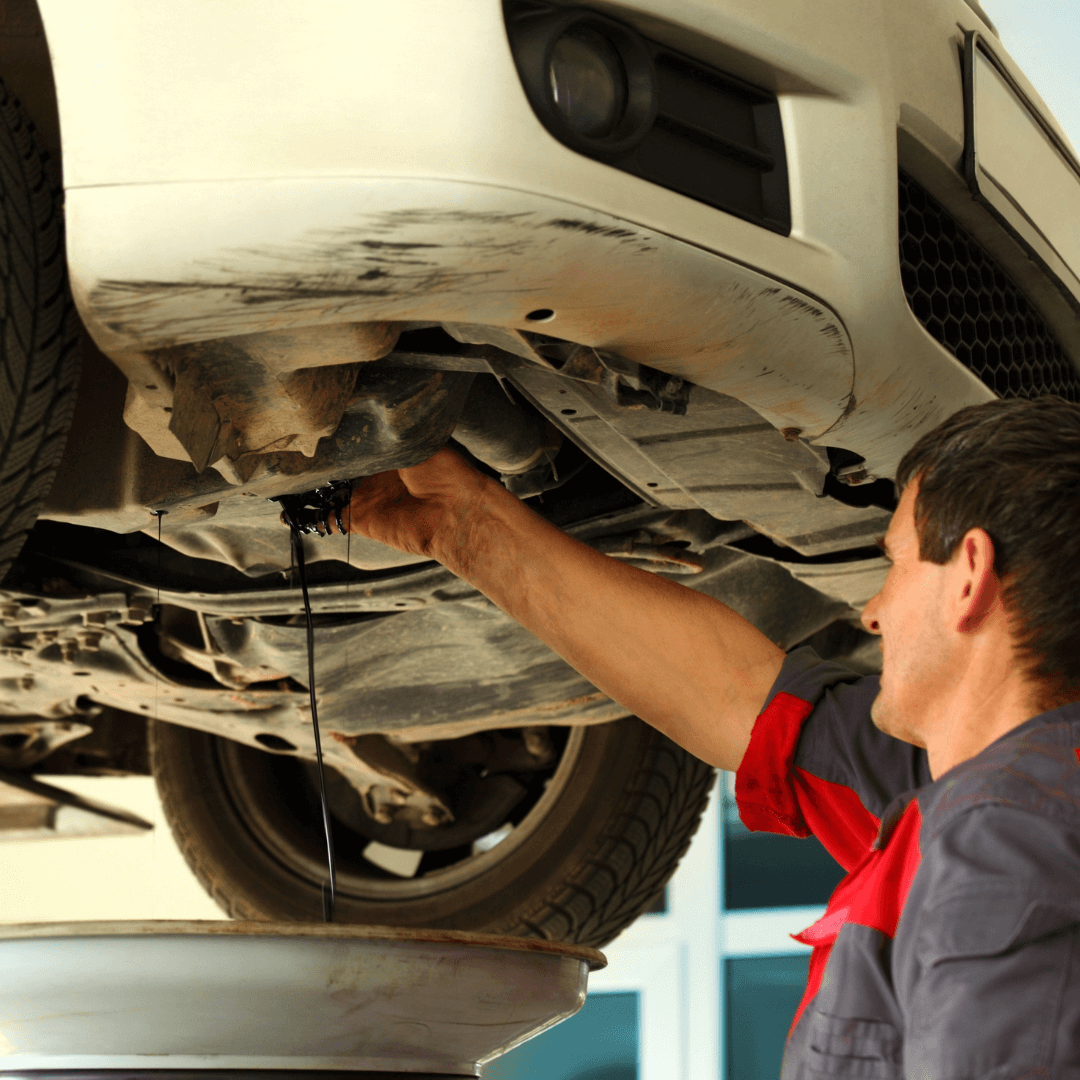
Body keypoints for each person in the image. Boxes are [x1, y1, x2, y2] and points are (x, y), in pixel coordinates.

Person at [324, 395, 1080, 1077]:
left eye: (896, 564)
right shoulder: (954, 799)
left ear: (970, 575)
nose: (872, 612)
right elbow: (735, 698)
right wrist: (465, 527)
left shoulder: (1006, 828)